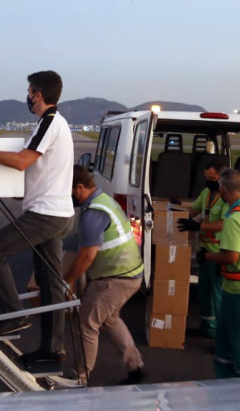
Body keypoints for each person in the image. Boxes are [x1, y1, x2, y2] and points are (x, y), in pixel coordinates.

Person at [0, 71, 74, 365]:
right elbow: (45, 174)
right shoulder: (54, 124)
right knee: (50, 286)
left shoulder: (49, 122)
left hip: (46, 215)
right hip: (55, 212)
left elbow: (23, 162)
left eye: (29, 91)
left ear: (38, 94)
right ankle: (52, 351)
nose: (28, 97)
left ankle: (11, 317)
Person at [64, 165, 145, 385]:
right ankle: (135, 367)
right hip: (129, 274)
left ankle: (79, 379)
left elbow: (87, 255)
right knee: (110, 318)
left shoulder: (94, 211)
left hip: (116, 278)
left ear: (79, 187)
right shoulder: (103, 200)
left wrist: (68, 281)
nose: (67, 196)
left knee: (86, 324)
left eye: (68, 190)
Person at [198, 168, 240, 378]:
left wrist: (207, 257)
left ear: (223, 191)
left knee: (238, 342)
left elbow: (231, 257)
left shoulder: (234, 219)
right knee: (227, 339)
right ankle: (226, 377)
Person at [177, 160, 229, 338]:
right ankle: (207, 327)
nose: (208, 181)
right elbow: (194, 210)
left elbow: (223, 224)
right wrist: (176, 210)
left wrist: (197, 227)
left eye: (212, 178)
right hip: (205, 251)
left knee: (218, 296)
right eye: (206, 177)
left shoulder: (226, 199)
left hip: (218, 253)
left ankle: (220, 335)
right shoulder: (207, 192)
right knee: (204, 293)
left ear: (221, 179)